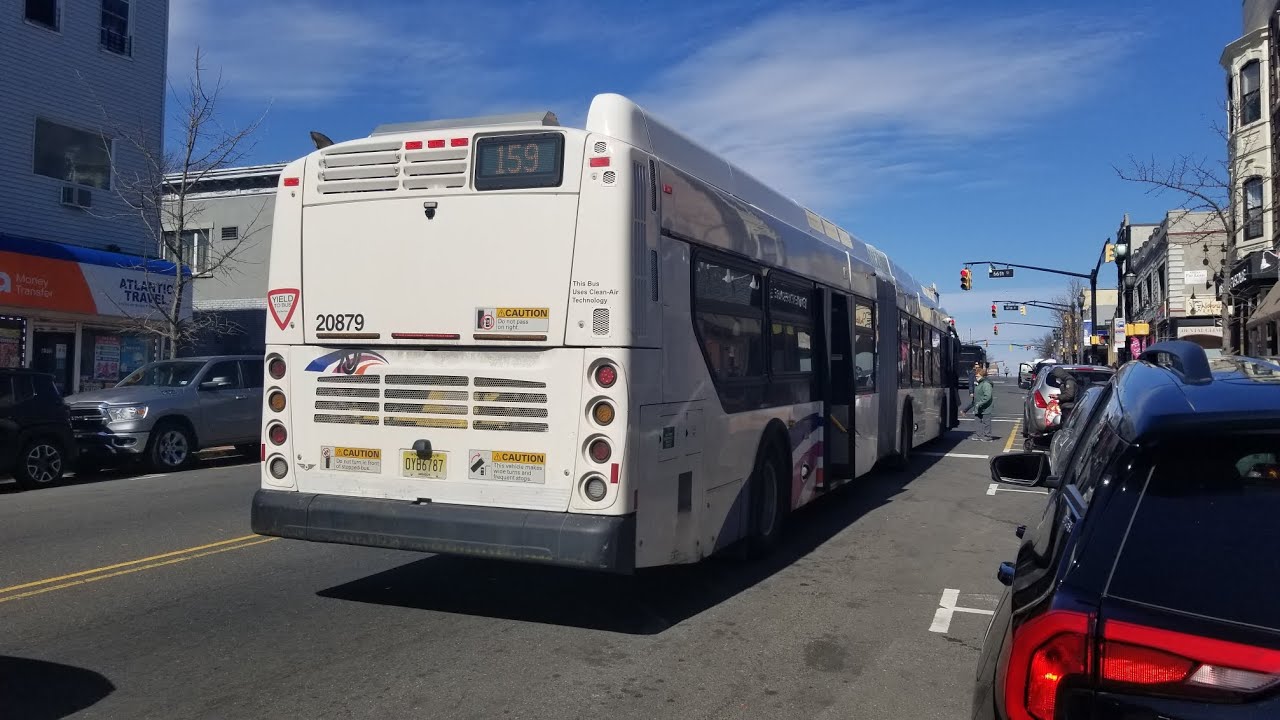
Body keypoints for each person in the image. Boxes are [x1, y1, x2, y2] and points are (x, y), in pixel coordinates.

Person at [965, 367, 995, 441]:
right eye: (976, 376)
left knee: (986, 422)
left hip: (985, 406)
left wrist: (980, 403)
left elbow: (988, 396)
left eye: (978, 376)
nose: (976, 378)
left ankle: (987, 436)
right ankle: (979, 435)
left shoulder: (986, 384)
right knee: (977, 421)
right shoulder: (979, 383)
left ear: (982, 376)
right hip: (978, 406)